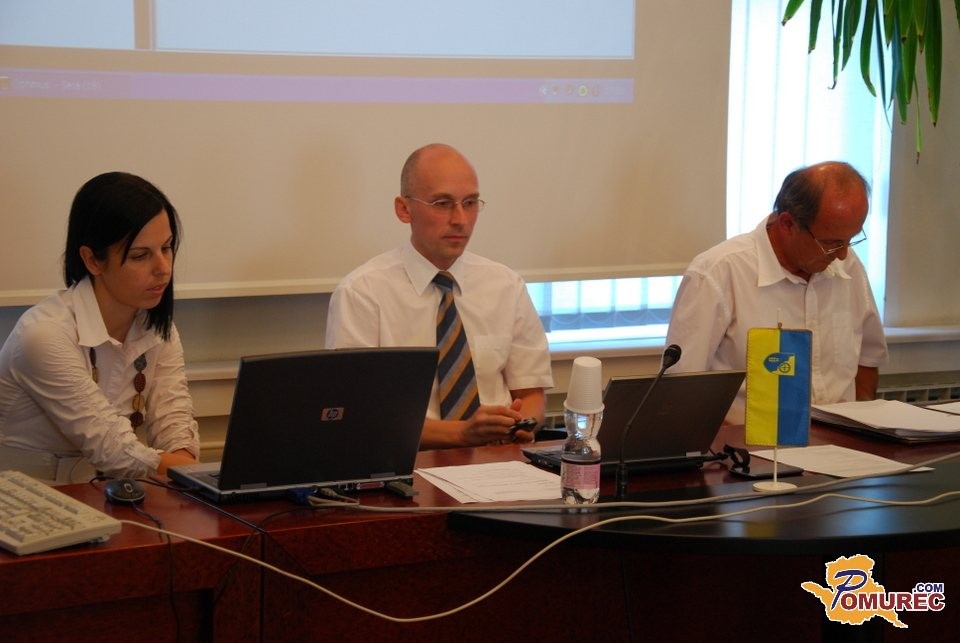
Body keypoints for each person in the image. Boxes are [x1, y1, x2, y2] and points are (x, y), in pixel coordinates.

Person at [325, 143, 554, 448]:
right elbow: (357, 415)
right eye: (443, 203)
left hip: (500, 458)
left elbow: (531, 392)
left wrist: (522, 424)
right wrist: (462, 434)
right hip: (409, 462)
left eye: (470, 202)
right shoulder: (362, 293)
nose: (461, 219)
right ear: (404, 209)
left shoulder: (506, 285)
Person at [0, 172, 200, 483]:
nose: (163, 268)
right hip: (22, 499)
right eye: (140, 255)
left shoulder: (158, 327)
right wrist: (192, 474)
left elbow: (175, 426)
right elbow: (115, 453)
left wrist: (188, 466)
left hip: (107, 494)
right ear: (92, 260)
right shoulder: (43, 335)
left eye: (167, 247)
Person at [665, 161, 888, 423]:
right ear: (787, 223)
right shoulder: (718, 273)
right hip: (747, 442)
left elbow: (867, 361)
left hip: (841, 441)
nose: (842, 255)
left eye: (851, 239)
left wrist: (863, 428)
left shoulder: (849, 266)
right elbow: (681, 391)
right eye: (831, 243)